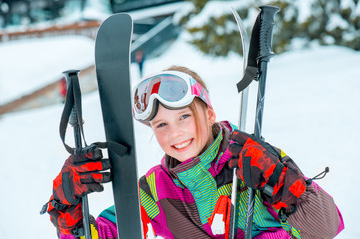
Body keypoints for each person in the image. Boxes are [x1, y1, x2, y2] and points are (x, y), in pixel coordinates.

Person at [44, 66, 344, 239]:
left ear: (210, 113)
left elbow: (325, 228)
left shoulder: (253, 160)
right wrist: (67, 206)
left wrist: (279, 177)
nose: (174, 133)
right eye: (161, 124)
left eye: (184, 117)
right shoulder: (154, 190)